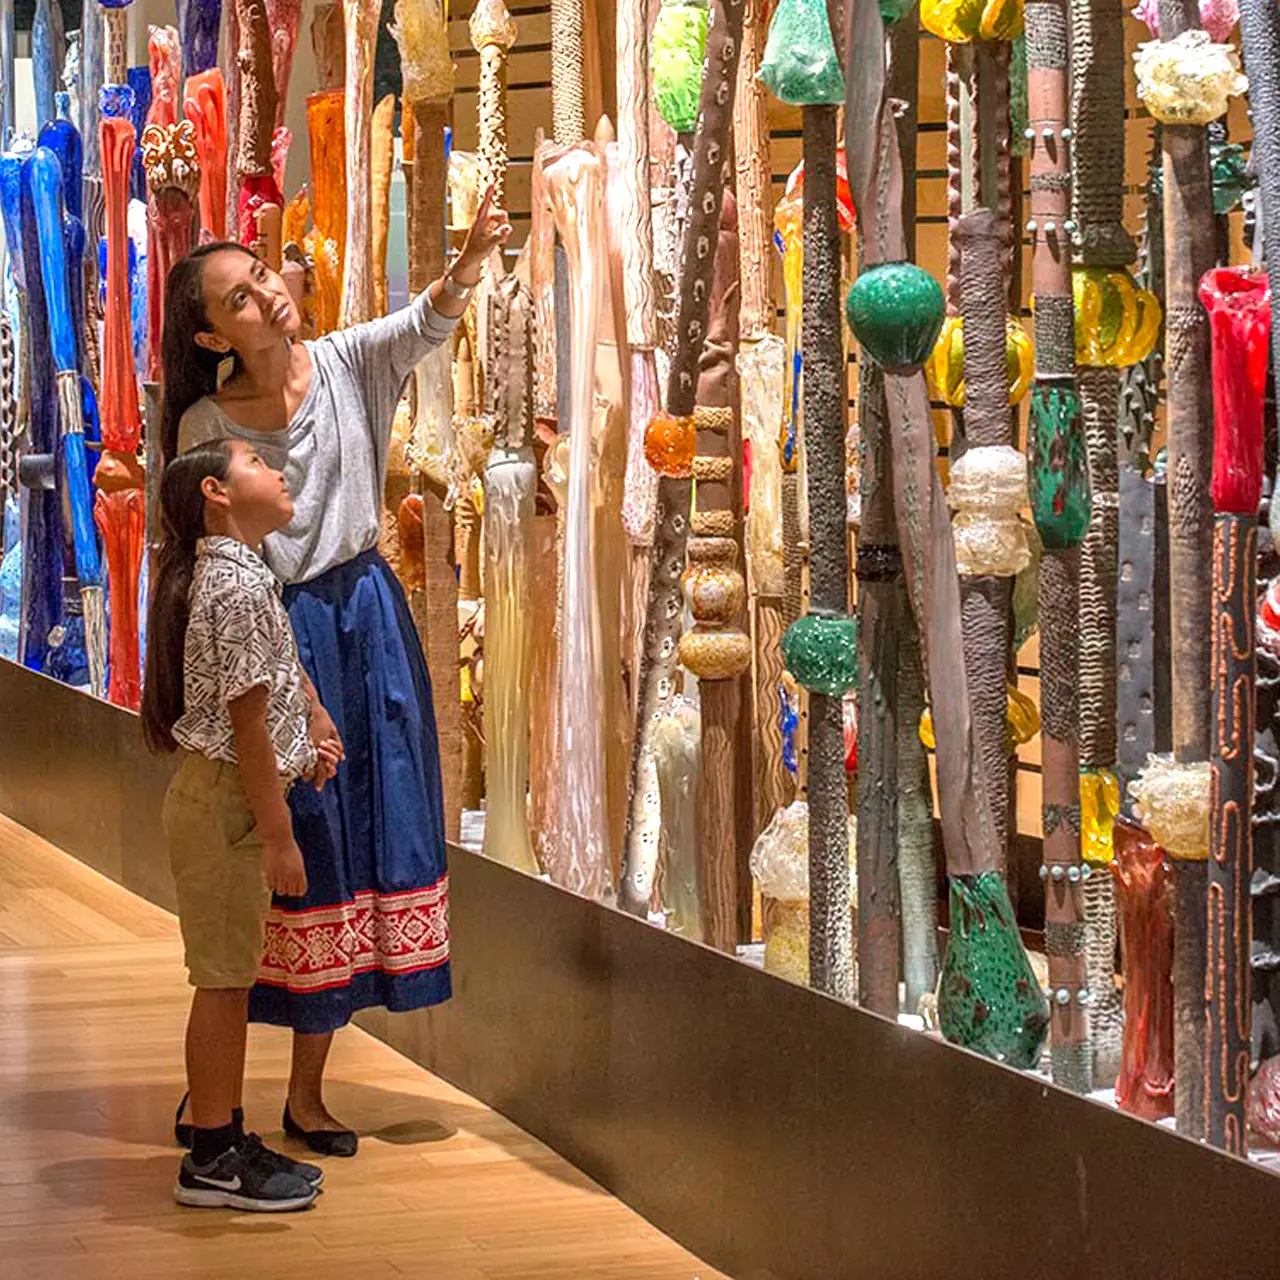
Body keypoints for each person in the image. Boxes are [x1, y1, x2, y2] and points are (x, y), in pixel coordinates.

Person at [160, 188, 511, 1156]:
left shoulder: (346, 359)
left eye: (263, 276)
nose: (267, 296)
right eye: (238, 296)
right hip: (274, 633)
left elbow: (426, 317)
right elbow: (210, 556)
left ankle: (307, 1092)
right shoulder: (203, 424)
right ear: (209, 332)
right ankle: (217, 1092)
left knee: (364, 835)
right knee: (289, 851)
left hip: (367, 620)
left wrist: (473, 250)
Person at [141, 438, 343, 1210]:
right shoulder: (233, 588)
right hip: (228, 803)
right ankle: (213, 1158)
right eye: (257, 462)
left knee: (227, 978)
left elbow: (275, 680)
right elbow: (248, 724)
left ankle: (222, 1136)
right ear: (217, 496)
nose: (278, 470)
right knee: (223, 984)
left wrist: (314, 723)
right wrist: (279, 833)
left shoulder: (241, 577)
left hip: (227, 798)